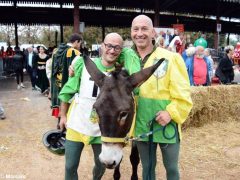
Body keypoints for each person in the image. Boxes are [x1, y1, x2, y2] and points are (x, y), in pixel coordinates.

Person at [127, 14, 193, 180]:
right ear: (131, 32)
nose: (139, 33)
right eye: (136, 29)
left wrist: (171, 112)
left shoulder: (171, 58)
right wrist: (75, 66)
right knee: (147, 168)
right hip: (141, 124)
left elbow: (183, 93)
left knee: (171, 168)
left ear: (153, 33)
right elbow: (106, 59)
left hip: (165, 124)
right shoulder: (127, 58)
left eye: (144, 29)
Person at [58, 33, 124, 180]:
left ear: (121, 50)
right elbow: (67, 91)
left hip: (102, 130)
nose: (112, 50)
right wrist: (63, 116)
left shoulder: (121, 73)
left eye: (117, 47)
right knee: (70, 166)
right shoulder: (83, 63)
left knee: (100, 166)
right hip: (77, 124)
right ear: (102, 45)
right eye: (109, 46)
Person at [51, 33, 81, 127]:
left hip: (56, 84)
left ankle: (59, 123)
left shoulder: (56, 51)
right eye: (80, 43)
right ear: (76, 42)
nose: (80, 46)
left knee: (59, 104)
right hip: (66, 84)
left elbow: (53, 70)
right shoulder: (74, 52)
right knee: (67, 104)